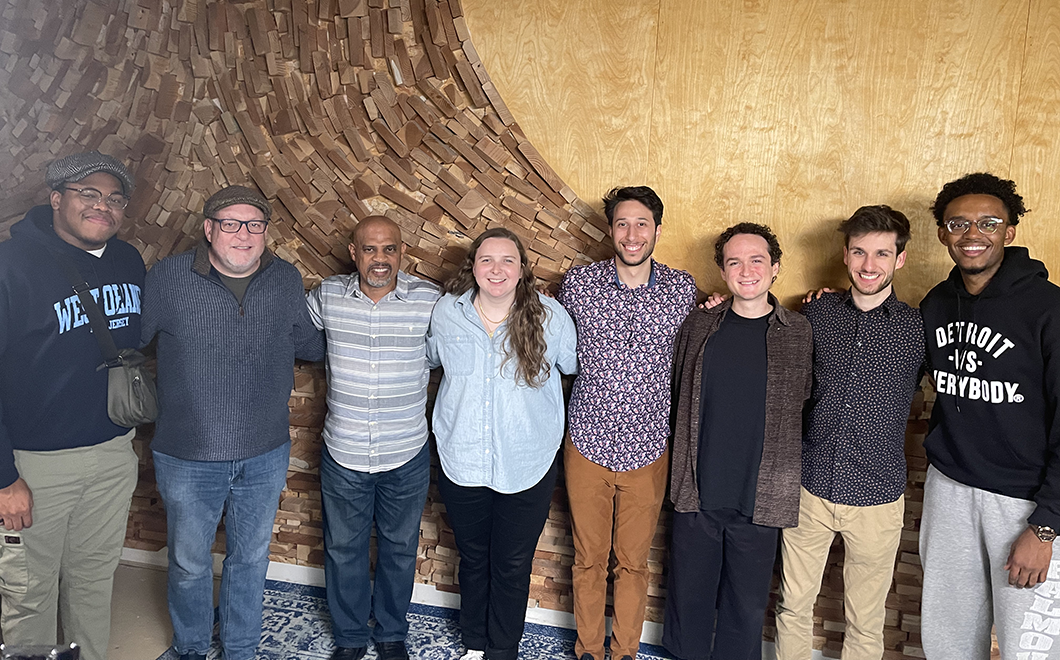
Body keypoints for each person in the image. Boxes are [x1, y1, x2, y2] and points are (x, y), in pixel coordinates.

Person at [140, 185, 325, 660]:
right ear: (208, 229)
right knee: (187, 563)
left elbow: (310, 342)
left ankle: (241, 648)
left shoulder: (284, 278)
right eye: (231, 224)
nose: (244, 234)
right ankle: (192, 647)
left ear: (265, 232)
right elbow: (130, 344)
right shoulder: (168, 277)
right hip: (187, 453)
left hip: (264, 450)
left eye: (255, 225)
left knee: (250, 558)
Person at [0, 151, 142, 660]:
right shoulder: (11, 266)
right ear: (57, 199)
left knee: (93, 579)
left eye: (114, 198)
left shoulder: (129, 261)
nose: (103, 206)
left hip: (112, 453)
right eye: (89, 194)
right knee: (29, 594)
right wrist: (3, 478)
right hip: (37, 466)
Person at [919, 173, 1060, 660]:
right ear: (942, 233)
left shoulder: (1050, 309)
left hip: (1024, 503)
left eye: (988, 222)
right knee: (947, 639)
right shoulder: (937, 303)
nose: (972, 233)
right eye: (958, 223)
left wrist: (1046, 525)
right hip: (951, 489)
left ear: (1010, 231)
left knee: (1031, 647)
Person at [773, 206, 924, 660]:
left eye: (882, 253)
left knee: (865, 619)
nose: (869, 264)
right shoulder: (817, 314)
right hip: (811, 486)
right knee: (793, 606)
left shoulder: (919, 329)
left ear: (900, 259)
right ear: (845, 255)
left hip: (877, 497)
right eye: (859, 252)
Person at [556, 186, 696, 660]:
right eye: (622, 224)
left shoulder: (683, 290)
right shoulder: (578, 285)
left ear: (657, 229)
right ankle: (589, 652)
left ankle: (625, 652)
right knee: (589, 560)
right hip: (587, 445)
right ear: (610, 230)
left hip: (649, 448)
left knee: (633, 564)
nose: (632, 234)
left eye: (642, 224)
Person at [426, 227, 577, 660]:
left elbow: (572, 365)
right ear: (472, 267)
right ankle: (474, 644)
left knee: (511, 565)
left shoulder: (550, 317)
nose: (497, 269)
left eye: (507, 260)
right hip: (463, 459)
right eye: (487, 260)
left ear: (522, 269)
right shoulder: (446, 314)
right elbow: (430, 360)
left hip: (527, 462)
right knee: (473, 558)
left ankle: (502, 650)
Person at [664, 223, 812, 660]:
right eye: (734, 262)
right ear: (722, 272)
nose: (746, 270)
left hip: (760, 497)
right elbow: (675, 391)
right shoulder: (698, 324)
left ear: (775, 268)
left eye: (757, 260)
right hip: (698, 491)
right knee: (687, 600)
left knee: (745, 610)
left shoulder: (799, 332)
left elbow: (807, 398)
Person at [306, 216, 441, 660]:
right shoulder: (326, 296)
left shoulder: (430, 301)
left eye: (389, 250)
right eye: (370, 249)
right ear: (353, 252)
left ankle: (390, 634)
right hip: (343, 450)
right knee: (343, 549)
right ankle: (348, 637)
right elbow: (282, 330)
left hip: (406, 451)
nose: (380, 259)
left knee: (400, 548)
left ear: (403, 253)